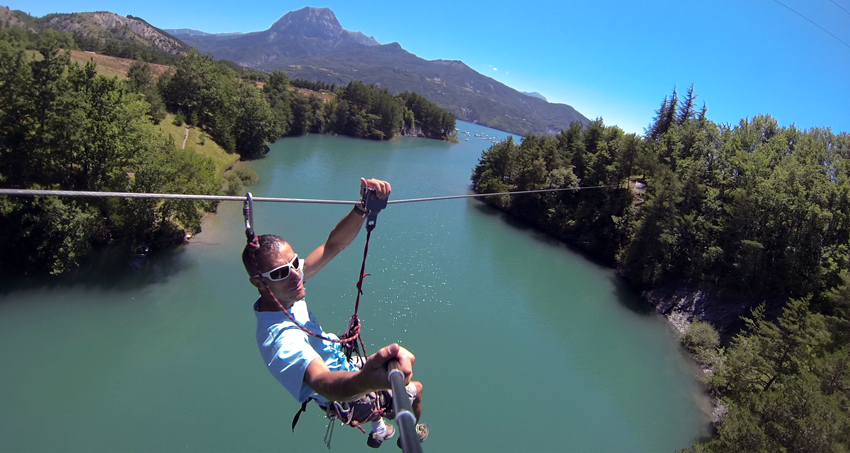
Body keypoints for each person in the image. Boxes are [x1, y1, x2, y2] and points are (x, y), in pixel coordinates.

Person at [242, 178, 427, 449]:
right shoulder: (278, 338)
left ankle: (379, 430)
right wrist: (364, 380)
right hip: (345, 392)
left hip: (347, 370)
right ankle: (405, 436)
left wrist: (362, 208)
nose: (296, 275)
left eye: (295, 263)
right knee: (417, 390)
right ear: (259, 283)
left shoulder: (285, 289)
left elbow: (333, 246)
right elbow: (321, 381)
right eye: (281, 273)